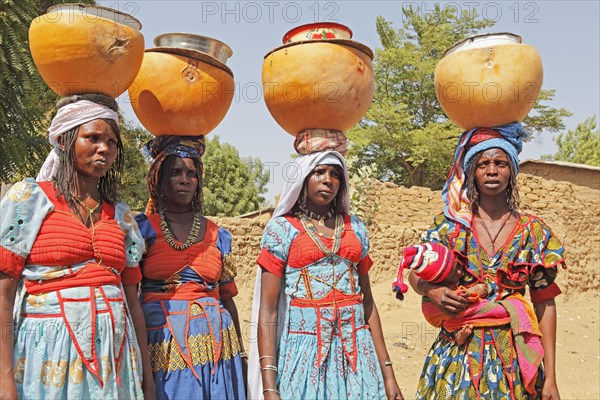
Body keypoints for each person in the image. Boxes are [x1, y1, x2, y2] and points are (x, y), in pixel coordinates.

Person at [0, 94, 154, 399]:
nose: (104, 149)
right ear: (64, 140)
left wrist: (146, 381)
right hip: (47, 356)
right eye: (92, 138)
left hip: (115, 358)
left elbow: (133, 303)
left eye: (112, 142)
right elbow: (3, 292)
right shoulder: (29, 200)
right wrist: (4, 382)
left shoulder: (122, 216)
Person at [409, 123, 565, 399]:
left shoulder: (534, 232)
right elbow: (415, 272)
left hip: (515, 356)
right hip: (458, 353)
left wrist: (551, 375)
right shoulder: (450, 227)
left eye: (500, 163)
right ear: (471, 171)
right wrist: (432, 290)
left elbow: (544, 302)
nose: (492, 170)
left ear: (512, 170)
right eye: (483, 164)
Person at [248, 149, 403, 400]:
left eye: (335, 174)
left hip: (358, 353)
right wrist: (269, 386)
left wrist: (388, 375)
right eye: (318, 172)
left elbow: (368, 303)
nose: (327, 180)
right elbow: (268, 310)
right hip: (303, 354)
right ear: (303, 179)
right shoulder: (282, 230)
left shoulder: (356, 228)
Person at [134, 135, 246, 399]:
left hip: (219, 350)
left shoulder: (217, 235)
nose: (185, 179)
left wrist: (241, 355)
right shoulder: (142, 229)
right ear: (160, 180)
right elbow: (130, 296)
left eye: (192, 174)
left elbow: (228, 298)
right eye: (176, 172)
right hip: (161, 348)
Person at [393, 242, 488, 344]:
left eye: (459, 267)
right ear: (442, 280)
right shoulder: (444, 288)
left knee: (451, 317)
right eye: (455, 272)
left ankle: (458, 333)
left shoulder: (444, 264)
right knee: (453, 310)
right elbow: (458, 297)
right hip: (432, 312)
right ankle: (457, 334)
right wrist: (472, 291)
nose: (460, 272)